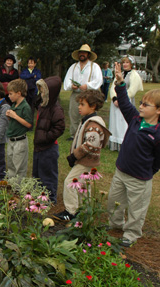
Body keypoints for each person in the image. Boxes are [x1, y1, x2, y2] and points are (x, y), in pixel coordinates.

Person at [107, 62, 160, 247]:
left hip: (139, 179)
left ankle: (131, 234)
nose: (141, 106)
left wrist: (149, 171)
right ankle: (115, 224)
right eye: (142, 103)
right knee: (114, 202)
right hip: (121, 172)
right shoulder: (136, 120)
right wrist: (120, 84)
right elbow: (126, 104)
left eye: (146, 104)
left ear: (159, 110)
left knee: (137, 209)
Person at [53, 90, 111, 221]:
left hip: (86, 161)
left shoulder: (94, 125)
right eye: (79, 104)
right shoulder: (87, 121)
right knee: (83, 186)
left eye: (82, 104)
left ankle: (71, 211)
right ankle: (84, 211)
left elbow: (91, 144)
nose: (79, 107)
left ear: (93, 106)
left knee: (70, 182)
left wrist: (75, 156)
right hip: (85, 161)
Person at [32, 76, 65, 204]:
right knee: (37, 173)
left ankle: (50, 199)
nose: (41, 93)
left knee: (48, 173)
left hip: (48, 147)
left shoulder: (56, 109)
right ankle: (38, 195)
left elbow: (60, 127)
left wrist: (46, 137)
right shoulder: (43, 104)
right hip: (39, 146)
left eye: (43, 91)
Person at [63, 44, 103, 141]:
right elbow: (67, 80)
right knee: (74, 113)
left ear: (88, 55)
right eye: (81, 53)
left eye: (84, 53)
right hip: (76, 94)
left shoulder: (94, 66)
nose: (82, 54)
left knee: (88, 114)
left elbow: (98, 80)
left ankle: (87, 134)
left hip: (89, 95)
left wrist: (87, 85)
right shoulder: (73, 66)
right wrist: (71, 86)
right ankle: (74, 135)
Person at [108, 55, 143, 151]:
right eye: (124, 62)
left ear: (131, 64)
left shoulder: (134, 75)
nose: (125, 64)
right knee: (115, 122)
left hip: (126, 101)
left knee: (124, 122)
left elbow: (132, 90)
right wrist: (114, 98)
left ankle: (124, 143)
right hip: (116, 102)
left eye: (127, 62)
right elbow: (113, 87)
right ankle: (114, 143)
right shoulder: (120, 74)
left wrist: (122, 99)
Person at [5, 79, 33, 181]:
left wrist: (15, 116)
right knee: (11, 165)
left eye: (11, 94)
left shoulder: (25, 107)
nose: (9, 96)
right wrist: (9, 116)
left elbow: (29, 124)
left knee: (19, 166)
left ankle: (18, 188)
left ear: (18, 93)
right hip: (11, 139)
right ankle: (12, 185)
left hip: (20, 141)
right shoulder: (14, 105)